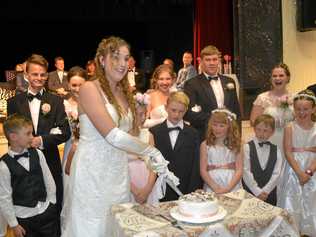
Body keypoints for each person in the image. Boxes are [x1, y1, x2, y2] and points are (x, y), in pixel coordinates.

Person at [61, 36, 177, 236]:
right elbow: (113, 136)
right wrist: (151, 151)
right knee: (93, 226)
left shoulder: (123, 93)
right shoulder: (90, 89)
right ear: (102, 60)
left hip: (118, 169)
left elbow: (129, 133)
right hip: (93, 171)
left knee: (118, 224)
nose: (122, 64)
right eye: (116, 58)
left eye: (126, 58)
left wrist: (140, 116)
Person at [7, 54, 71, 234]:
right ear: (26, 75)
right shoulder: (14, 102)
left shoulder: (56, 101)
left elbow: (64, 131)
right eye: (35, 74)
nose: (39, 78)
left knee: (52, 209)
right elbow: (11, 133)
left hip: (50, 162)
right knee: (25, 207)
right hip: (22, 164)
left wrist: (41, 140)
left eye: (43, 74)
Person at [0, 114, 58, 237]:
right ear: (13, 137)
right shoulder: (3, 166)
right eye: (28, 134)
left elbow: (48, 179)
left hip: (46, 211)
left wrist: (52, 202)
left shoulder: (38, 153)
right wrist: (14, 224)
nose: (32, 137)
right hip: (24, 219)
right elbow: (4, 197)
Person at [150, 91, 202, 201]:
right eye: (173, 110)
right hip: (160, 189)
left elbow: (196, 165)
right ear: (166, 107)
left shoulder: (193, 134)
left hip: (186, 189)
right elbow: (151, 164)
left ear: (186, 111)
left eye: (181, 111)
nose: (176, 115)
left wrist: (192, 190)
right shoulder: (154, 132)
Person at [279, 90, 316, 236]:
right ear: (294, 109)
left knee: (311, 200)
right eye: (298, 109)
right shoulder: (289, 127)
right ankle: (292, 231)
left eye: (305, 109)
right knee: (292, 200)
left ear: (313, 109)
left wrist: (309, 172)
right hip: (293, 170)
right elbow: (288, 152)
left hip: (312, 168)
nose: (301, 112)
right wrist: (300, 173)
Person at [184, 45, 240, 141]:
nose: (212, 63)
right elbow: (189, 114)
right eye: (208, 60)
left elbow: (236, 111)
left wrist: (237, 136)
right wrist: (217, 121)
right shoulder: (191, 84)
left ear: (219, 61)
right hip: (204, 136)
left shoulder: (229, 81)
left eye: (214, 59)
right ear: (201, 62)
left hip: (229, 136)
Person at [250, 63, 293, 152]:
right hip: (268, 139)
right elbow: (253, 121)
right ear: (271, 79)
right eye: (274, 76)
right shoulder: (262, 98)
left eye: (281, 75)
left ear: (288, 78)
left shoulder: (294, 98)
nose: (277, 78)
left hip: (290, 140)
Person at [242, 114, 283, 206]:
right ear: (254, 129)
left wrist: (266, 191)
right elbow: (246, 171)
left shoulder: (276, 150)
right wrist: (257, 191)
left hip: (269, 194)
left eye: (265, 131)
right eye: (258, 129)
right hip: (250, 192)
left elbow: (277, 173)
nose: (261, 133)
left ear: (272, 132)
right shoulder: (247, 147)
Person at [200, 109, 243, 194]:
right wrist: (215, 187)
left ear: (229, 126)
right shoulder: (205, 145)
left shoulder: (237, 144)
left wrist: (228, 188)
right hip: (212, 183)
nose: (217, 129)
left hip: (232, 183)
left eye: (221, 125)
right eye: (215, 125)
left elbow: (239, 170)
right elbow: (203, 170)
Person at [62, 66, 88, 194]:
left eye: (81, 85)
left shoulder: (94, 104)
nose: (77, 89)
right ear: (68, 85)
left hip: (90, 150)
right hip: (71, 149)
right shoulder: (64, 105)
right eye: (74, 85)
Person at [128, 92, 157, 204]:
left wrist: (147, 189)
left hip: (146, 181)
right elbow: (118, 166)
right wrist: (135, 191)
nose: (143, 117)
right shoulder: (121, 136)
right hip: (129, 184)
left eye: (145, 114)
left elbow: (154, 164)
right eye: (139, 114)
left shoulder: (148, 135)